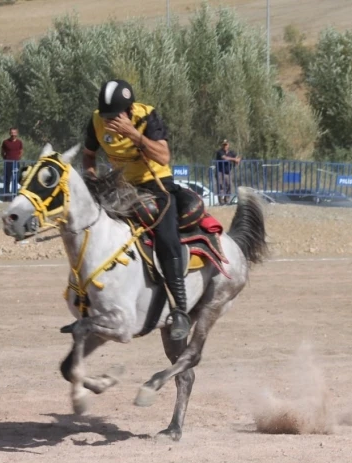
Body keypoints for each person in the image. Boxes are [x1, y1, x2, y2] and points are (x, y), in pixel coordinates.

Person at [82, 79, 191, 341]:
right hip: (120, 188)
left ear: (129, 111)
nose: (108, 121)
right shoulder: (96, 120)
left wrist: (133, 134)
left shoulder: (146, 116)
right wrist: (92, 177)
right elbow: (88, 153)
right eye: (106, 116)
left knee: (166, 238)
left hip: (156, 186)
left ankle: (180, 311)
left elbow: (163, 156)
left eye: (114, 116)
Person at [215, 140, 241, 205]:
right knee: (220, 186)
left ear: (228, 145)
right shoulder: (219, 152)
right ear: (222, 145)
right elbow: (224, 158)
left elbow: (238, 157)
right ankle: (221, 201)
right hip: (220, 171)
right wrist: (234, 159)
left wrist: (238, 160)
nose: (225, 146)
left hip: (228, 171)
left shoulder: (231, 152)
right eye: (224, 145)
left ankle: (227, 200)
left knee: (229, 185)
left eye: (226, 145)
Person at [1, 127, 23, 200]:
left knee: (15, 179)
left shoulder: (19, 142)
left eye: (14, 133)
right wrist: (6, 159)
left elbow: (21, 152)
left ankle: (14, 196)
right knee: (7, 179)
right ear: (9, 133)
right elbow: (2, 152)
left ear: (17, 133)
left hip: (16, 163)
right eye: (12, 133)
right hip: (8, 163)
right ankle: (6, 196)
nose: (13, 134)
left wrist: (17, 159)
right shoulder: (5, 142)